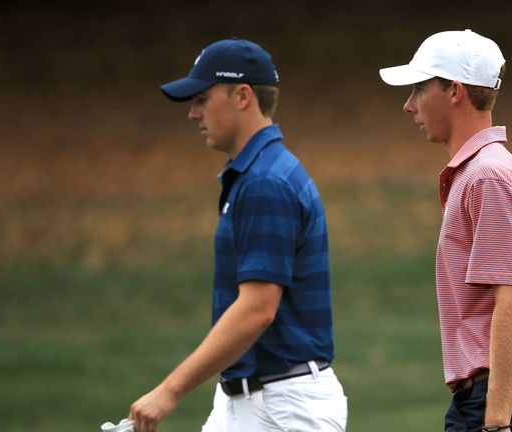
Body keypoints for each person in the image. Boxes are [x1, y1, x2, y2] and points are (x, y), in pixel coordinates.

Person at [127, 38, 348, 432]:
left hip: (282, 409)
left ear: (242, 96)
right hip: (249, 399)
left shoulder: (266, 182)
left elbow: (257, 308)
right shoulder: (257, 174)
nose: (193, 114)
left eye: (202, 99)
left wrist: (169, 391)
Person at [379, 30, 512, 432]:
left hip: (501, 404)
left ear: (454, 91)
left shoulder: (487, 176)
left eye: (418, 88)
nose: (408, 105)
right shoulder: (479, 173)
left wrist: (497, 423)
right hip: (500, 398)